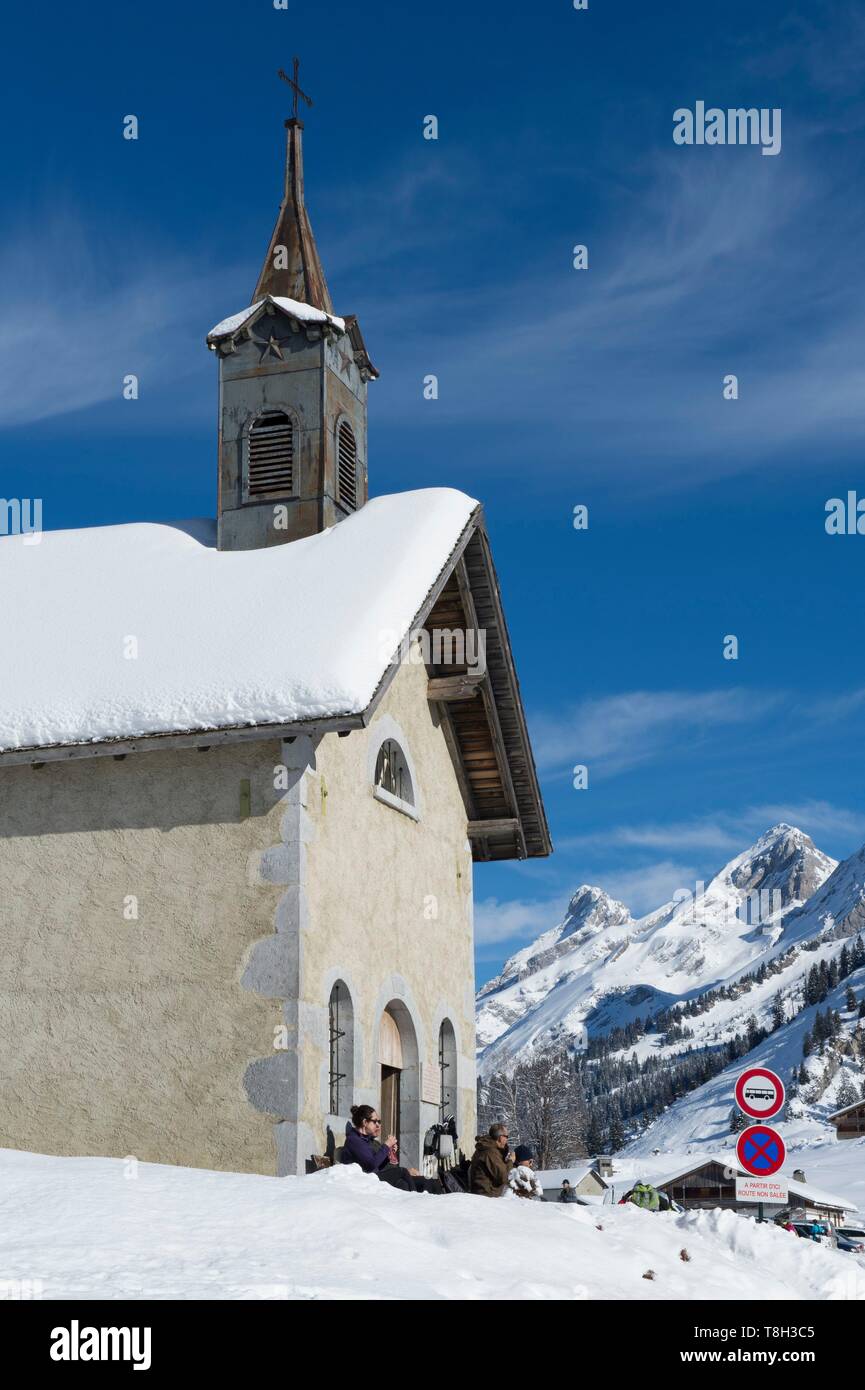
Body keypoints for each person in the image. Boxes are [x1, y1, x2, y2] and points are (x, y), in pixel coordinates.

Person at [341, 1105, 444, 1193]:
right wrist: (386, 1146)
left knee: (426, 1182)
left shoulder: (366, 1140)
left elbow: (377, 1164)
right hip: (366, 1180)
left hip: (377, 1176)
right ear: (364, 1122)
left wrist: (389, 1152)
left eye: (379, 1121)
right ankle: (415, 1198)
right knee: (402, 1172)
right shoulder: (354, 1141)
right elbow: (371, 1165)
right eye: (375, 1121)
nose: (378, 1125)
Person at [469, 1122, 514, 1196]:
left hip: (484, 1192)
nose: (507, 1139)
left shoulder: (488, 1147)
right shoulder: (490, 1152)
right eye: (506, 1136)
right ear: (500, 1137)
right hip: (487, 1195)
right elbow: (504, 1177)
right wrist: (511, 1161)